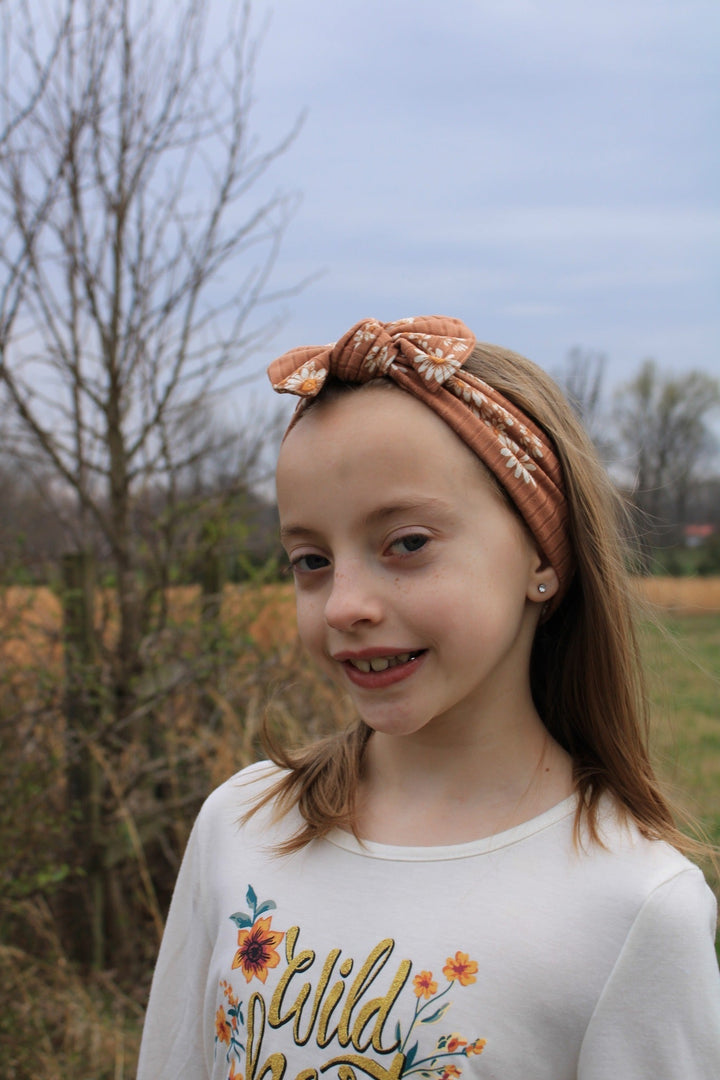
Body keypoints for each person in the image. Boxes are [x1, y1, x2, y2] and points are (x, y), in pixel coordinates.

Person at [137, 316, 720, 1080]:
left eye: (406, 544)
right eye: (310, 560)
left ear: (544, 557)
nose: (344, 604)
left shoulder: (633, 907)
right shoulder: (242, 827)